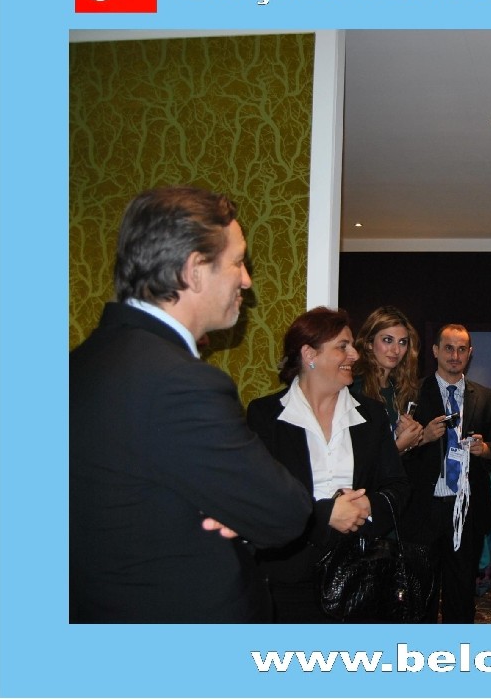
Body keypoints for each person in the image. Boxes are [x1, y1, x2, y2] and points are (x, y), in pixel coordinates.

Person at [70, 185, 312, 623]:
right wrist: (239, 510)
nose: (246, 280)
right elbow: (285, 512)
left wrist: (228, 505)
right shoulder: (180, 381)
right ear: (194, 270)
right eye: (238, 262)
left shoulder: (81, 363)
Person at [246, 306, 411, 623]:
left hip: (358, 577)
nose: (355, 355)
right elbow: (258, 498)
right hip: (287, 578)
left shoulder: (371, 414)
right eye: (342, 346)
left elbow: (399, 487)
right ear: (309, 354)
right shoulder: (265, 416)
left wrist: (367, 506)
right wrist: (325, 516)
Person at [403, 324, 491, 623]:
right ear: (435, 351)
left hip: (467, 509)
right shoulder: (412, 395)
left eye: (462, 349)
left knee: (461, 595)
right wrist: (423, 438)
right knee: (421, 595)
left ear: (470, 354)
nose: (455, 355)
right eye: (448, 348)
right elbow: (395, 455)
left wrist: (484, 449)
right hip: (424, 509)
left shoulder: (485, 397)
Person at [351, 305, 424, 455]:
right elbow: (359, 458)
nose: (396, 350)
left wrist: (406, 438)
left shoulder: (399, 389)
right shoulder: (354, 388)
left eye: (402, 342)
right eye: (388, 340)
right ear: (369, 343)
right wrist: (400, 445)